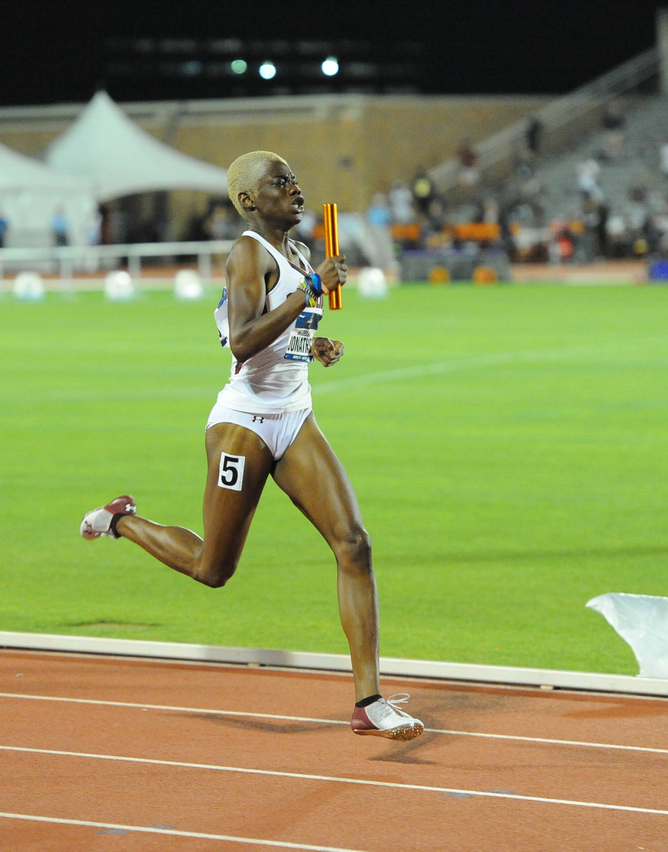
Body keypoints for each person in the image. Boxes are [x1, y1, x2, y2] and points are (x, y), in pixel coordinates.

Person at [80, 150, 424, 742]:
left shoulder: (297, 253)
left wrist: (314, 344)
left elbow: (285, 328)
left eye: (294, 178)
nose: (295, 187)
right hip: (245, 424)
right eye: (279, 182)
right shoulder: (248, 252)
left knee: (355, 544)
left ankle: (368, 701)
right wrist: (313, 287)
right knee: (213, 569)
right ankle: (123, 522)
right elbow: (240, 341)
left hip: (295, 416)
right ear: (248, 200)